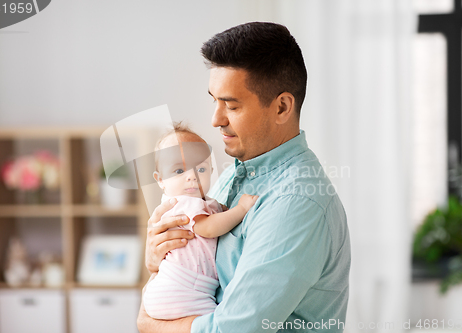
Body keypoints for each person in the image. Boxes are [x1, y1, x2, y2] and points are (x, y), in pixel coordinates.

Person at [137, 22, 351, 333]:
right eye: (215, 100)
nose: (215, 119)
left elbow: (234, 329)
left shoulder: (295, 202)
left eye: (231, 105)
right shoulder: (230, 177)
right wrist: (157, 261)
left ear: (281, 107)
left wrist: (149, 322)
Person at [143, 124, 258, 319]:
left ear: (211, 170)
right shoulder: (183, 203)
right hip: (182, 288)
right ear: (160, 179)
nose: (192, 177)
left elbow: (217, 213)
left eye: (201, 168)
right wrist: (242, 209)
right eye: (179, 171)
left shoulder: (202, 202)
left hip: (184, 288)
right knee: (218, 323)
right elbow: (208, 228)